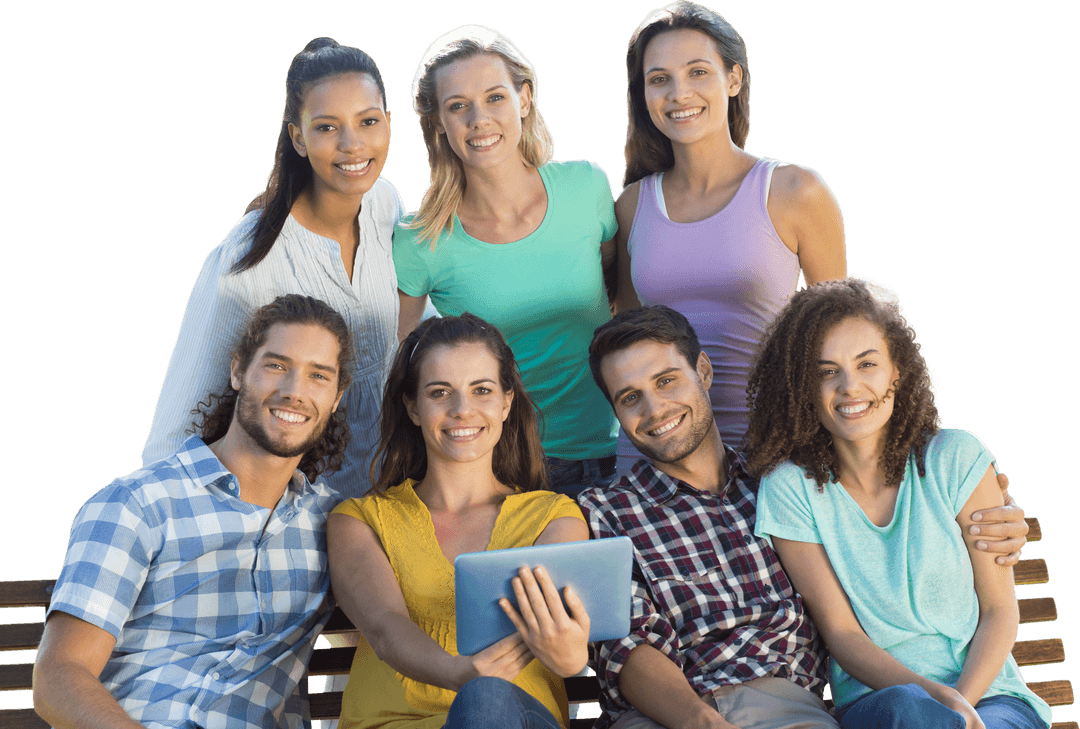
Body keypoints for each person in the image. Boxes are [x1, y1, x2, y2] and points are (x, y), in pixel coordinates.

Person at [577, 305, 1030, 729]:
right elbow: (627, 645)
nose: (654, 410)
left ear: (704, 372)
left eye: (667, 381)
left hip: (791, 709)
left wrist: (1000, 509)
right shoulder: (606, 512)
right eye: (630, 397)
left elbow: (891, 492)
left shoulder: (784, 484)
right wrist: (700, 720)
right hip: (669, 715)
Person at [33, 295, 350, 729]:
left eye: (318, 376)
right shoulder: (137, 504)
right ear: (238, 370)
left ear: (337, 397)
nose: (295, 391)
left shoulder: (336, 524)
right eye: (276, 365)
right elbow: (58, 676)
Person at [748, 278, 1051, 729]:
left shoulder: (957, 458)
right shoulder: (790, 488)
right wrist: (937, 703)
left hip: (991, 697)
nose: (850, 387)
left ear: (898, 371)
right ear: (803, 388)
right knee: (909, 711)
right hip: (881, 704)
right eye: (826, 371)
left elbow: (999, 611)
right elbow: (843, 635)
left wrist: (960, 705)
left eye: (867, 364)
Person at [142, 38, 404, 499]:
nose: (352, 144)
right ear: (298, 138)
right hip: (288, 517)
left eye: (368, 121)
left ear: (388, 123)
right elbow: (174, 434)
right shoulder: (247, 261)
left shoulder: (385, 202)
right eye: (327, 127)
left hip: (385, 501)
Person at [611, 1, 846, 472]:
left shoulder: (794, 190)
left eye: (698, 72)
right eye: (659, 79)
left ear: (733, 80)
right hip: (656, 459)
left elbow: (839, 338)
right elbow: (627, 343)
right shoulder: (632, 206)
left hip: (771, 454)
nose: (679, 94)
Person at [327, 313, 591, 729]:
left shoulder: (553, 517)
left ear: (506, 402)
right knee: (479, 691)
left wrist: (570, 653)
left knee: (485, 700)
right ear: (413, 408)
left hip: (512, 721)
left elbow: (564, 647)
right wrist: (459, 674)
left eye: (481, 390)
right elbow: (383, 626)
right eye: (439, 392)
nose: (462, 410)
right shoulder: (359, 520)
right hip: (392, 723)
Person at [393, 24, 618, 497]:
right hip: (503, 472)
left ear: (526, 97)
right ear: (438, 123)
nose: (479, 119)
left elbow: (624, 300)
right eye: (458, 106)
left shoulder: (586, 188)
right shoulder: (419, 241)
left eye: (495, 97)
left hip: (622, 449)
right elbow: (397, 369)